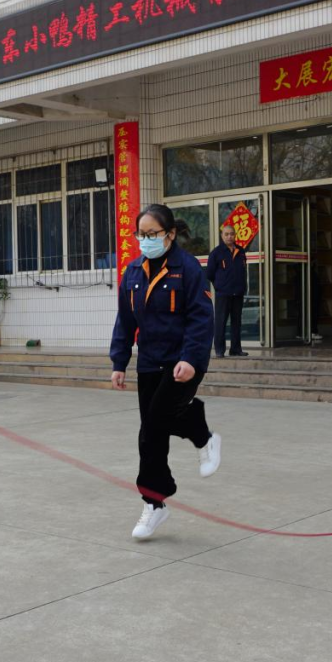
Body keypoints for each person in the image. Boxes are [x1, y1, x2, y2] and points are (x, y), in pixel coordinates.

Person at [110, 204, 220, 540]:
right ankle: (154, 504)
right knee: (150, 435)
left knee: (156, 421)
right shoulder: (132, 272)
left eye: (152, 234)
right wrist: (119, 362)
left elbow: (201, 318)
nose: (145, 240)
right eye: (140, 234)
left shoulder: (188, 269)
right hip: (149, 361)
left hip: (182, 362)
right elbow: (125, 321)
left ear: (170, 234)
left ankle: (201, 435)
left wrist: (190, 358)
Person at [206, 224, 249, 357]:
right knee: (220, 322)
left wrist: (243, 287)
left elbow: (243, 271)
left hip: (238, 293)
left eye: (231, 234)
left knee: (237, 322)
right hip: (223, 294)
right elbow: (209, 274)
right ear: (222, 236)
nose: (229, 236)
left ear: (235, 235)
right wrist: (219, 286)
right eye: (226, 234)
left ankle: (236, 349)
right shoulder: (216, 253)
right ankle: (219, 350)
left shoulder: (241, 251)